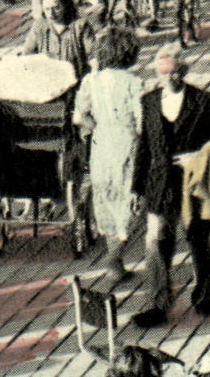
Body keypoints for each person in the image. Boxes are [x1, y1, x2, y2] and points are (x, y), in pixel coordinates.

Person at [132, 45, 210, 327]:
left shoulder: (204, 102)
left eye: (174, 72)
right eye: (163, 72)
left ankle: (202, 293)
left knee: (198, 240)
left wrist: (198, 155)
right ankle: (157, 302)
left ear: (184, 72)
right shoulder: (149, 102)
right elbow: (144, 146)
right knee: (155, 241)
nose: (168, 77)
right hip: (160, 183)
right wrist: (136, 188)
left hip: (193, 182)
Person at [72, 28, 143, 281]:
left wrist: (97, 126)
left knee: (106, 199)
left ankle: (114, 257)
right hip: (127, 144)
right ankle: (113, 257)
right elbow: (141, 120)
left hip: (102, 146)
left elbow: (80, 116)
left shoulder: (90, 81)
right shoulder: (134, 83)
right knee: (130, 201)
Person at [21, 0, 91, 81]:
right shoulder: (39, 27)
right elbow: (27, 56)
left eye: (56, 8)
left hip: (76, 83)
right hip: (48, 83)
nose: (51, 13)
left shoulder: (80, 26)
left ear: (65, 5)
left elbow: (93, 56)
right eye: (47, 9)